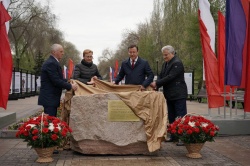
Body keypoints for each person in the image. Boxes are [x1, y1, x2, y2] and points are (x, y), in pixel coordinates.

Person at [150, 45, 187, 145]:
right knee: (171, 116)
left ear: (172, 53)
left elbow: (170, 77)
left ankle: (182, 138)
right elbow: (162, 75)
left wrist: (157, 83)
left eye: (166, 55)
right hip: (170, 95)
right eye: (163, 55)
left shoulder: (177, 63)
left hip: (178, 94)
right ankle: (174, 135)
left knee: (180, 116)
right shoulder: (165, 64)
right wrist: (156, 85)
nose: (164, 57)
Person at [38, 44, 78, 117]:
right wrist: (70, 86)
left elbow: (58, 79)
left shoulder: (53, 62)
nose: (63, 53)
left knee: (51, 122)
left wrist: (68, 81)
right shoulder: (51, 63)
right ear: (54, 52)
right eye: (61, 51)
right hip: (49, 98)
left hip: (51, 98)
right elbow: (56, 80)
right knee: (50, 122)